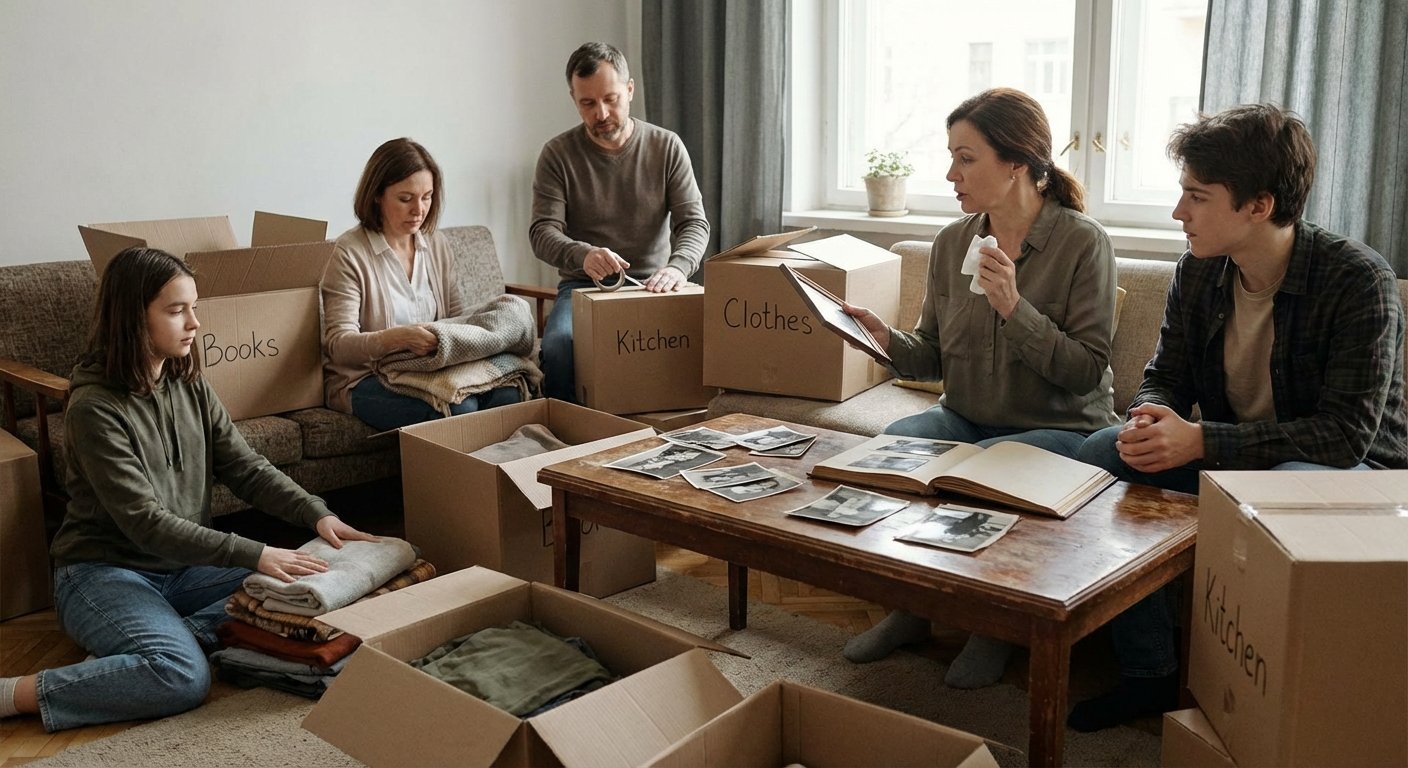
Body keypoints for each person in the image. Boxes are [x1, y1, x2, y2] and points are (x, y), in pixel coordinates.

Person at [1069, 103, 1407, 731]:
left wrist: (1201, 441)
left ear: (1259, 204)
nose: (1179, 213)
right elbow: (1165, 373)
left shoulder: (1359, 281)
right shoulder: (1198, 271)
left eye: (1197, 197)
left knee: (1282, 487)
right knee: (1102, 451)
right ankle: (1148, 672)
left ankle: (1259, 694)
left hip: (1350, 473)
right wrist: (1152, 415)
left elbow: (1344, 436)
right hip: (1233, 456)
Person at [0, 247, 376, 731]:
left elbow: (244, 466)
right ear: (132, 318)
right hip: (104, 573)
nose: (195, 323)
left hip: (183, 571)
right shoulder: (94, 409)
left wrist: (316, 514)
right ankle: (15, 693)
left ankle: (156, 640)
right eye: (177, 310)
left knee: (321, 583)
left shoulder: (187, 381)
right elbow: (146, 524)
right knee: (182, 677)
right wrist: (256, 553)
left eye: (194, 307)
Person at [838, 88, 1121, 689]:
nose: (951, 174)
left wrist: (1014, 308)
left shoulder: (1082, 243)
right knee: (898, 443)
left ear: (1016, 162)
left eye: (966, 158)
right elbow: (932, 355)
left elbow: (1086, 371)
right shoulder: (952, 243)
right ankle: (911, 610)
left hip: (1063, 426)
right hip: (965, 415)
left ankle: (993, 627)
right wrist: (882, 338)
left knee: (993, 466)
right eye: (951, 157)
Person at [530, 42, 710, 402]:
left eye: (611, 99)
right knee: (560, 346)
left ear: (630, 90)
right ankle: (567, 440)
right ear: (573, 99)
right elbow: (542, 232)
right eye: (588, 103)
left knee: (710, 342)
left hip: (658, 284)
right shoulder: (557, 154)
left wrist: (678, 269)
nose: (601, 113)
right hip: (585, 286)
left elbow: (694, 223)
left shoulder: (666, 146)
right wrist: (583, 255)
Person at [322, 137, 522, 432]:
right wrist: (397, 339)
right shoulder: (348, 252)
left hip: (429, 371)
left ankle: (497, 477)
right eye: (406, 198)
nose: (419, 209)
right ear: (377, 195)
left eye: (427, 197)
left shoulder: (436, 244)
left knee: (509, 393)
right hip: (365, 379)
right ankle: (457, 479)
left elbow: (456, 317)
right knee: (458, 408)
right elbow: (338, 345)